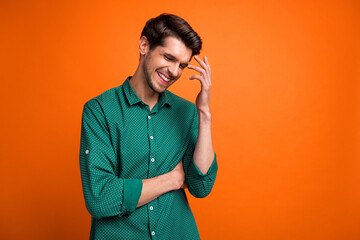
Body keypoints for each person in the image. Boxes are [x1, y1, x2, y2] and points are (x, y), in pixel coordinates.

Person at [79, 13, 218, 240]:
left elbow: (201, 186)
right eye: (168, 58)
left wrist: (204, 114)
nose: (174, 72)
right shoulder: (100, 110)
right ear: (144, 45)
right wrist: (171, 179)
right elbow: (100, 198)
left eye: (182, 65)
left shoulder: (187, 112)